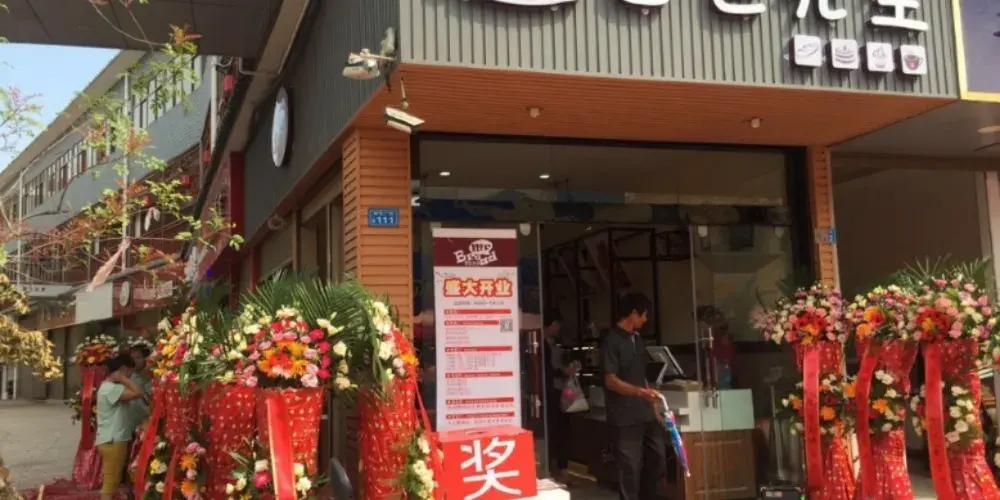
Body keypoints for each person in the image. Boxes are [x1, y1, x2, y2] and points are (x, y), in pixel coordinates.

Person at [601, 292, 666, 500]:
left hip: (645, 412)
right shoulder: (611, 340)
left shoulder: (637, 340)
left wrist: (654, 407)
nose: (645, 320)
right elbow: (610, 380)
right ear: (633, 313)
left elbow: (642, 375)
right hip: (624, 416)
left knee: (658, 458)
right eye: (644, 315)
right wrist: (639, 392)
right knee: (630, 469)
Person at [95, 353, 145, 500]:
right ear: (123, 369)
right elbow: (138, 392)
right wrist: (123, 379)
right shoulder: (111, 388)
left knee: (113, 482)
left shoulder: (111, 387)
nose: (130, 377)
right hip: (113, 440)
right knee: (110, 484)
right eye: (129, 373)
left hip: (112, 439)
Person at [542, 309, 581, 482]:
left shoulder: (557, 344)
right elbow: (545, 370)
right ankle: (552, 468)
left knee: (563, 430)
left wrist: (569, 368)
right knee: (552, 430)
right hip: (548, 393)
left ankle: (561, 468)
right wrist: (562, 371)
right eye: (556, 325)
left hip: (561, 391)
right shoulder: (538, 344)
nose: (558, 329)